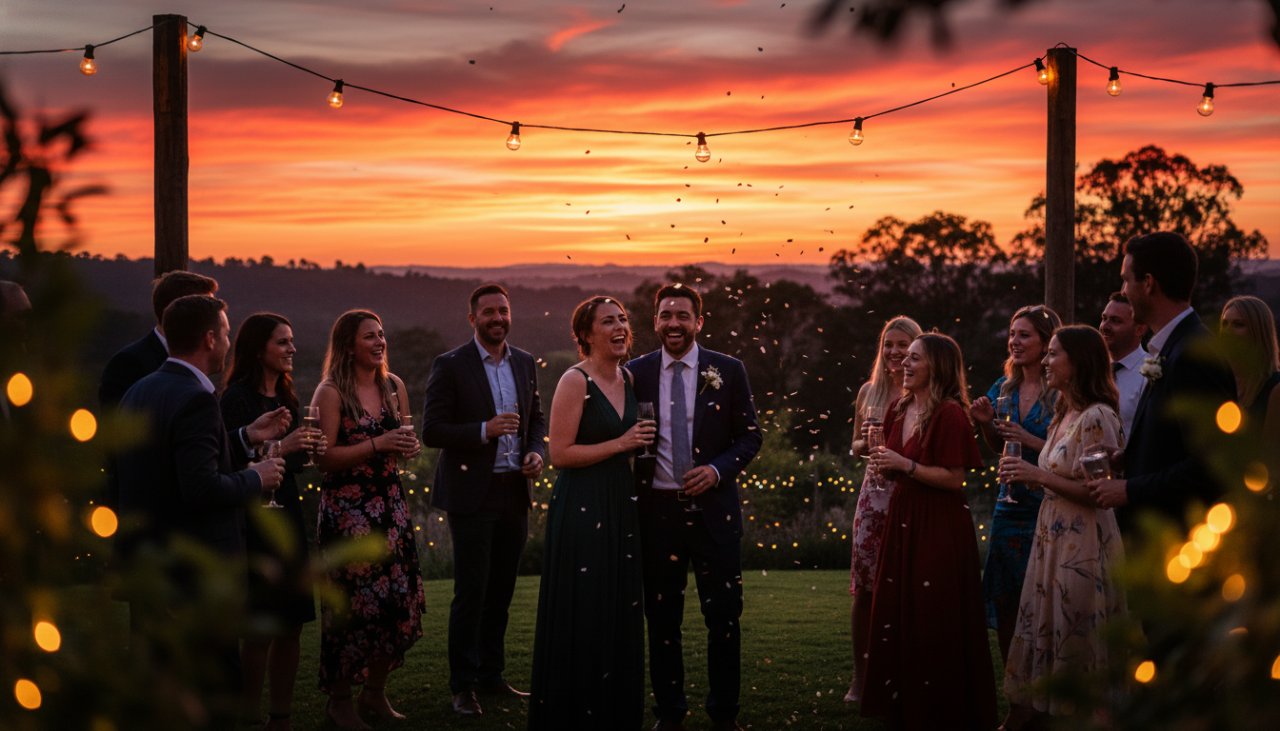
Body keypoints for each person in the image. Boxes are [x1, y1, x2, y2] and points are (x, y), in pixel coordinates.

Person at [114, 295, 286, 726]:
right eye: (226, 333)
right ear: (210, 338)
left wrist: (244, 437)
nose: (228, 341)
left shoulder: (142, 389)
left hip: (150, 564)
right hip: (195, 572)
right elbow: (200, 487)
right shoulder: (195, 397)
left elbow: (175, 464)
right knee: (210, 693)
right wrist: (256, 477)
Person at [627, 284, 762, 731]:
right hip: (656, 514)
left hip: (714, 513)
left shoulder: (729, 369)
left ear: (699, 322)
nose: (673, 324)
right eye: (665, 315)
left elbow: (750, 435)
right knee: (662, 618)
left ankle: (725, 715)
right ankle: (669, 713)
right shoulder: (635, 373)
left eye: (683, 316)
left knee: (723, 616)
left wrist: (718, 471)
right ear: (655, 322)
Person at [528, 296, 654, 730]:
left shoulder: (631, 378)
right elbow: (560, 453)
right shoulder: (573, 380)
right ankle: (573, 712)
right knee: (585, 606)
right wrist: (622, 444)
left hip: (622, 503)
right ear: (585, 334)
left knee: (619, 605)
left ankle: (614, 710)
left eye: (622, 320)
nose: (620, 327)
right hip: (582, 505)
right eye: (608, 322)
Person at [422, 284, 547, 717]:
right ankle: (463, 687)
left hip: (514, 490)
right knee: (471, 593)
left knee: (501, 591)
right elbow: (432, 430)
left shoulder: (526, 362)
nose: (497, 318)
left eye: (503, 310)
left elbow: (537, 419)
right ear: (472, 318)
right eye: (488, 312)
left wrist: (536, 452)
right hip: (471, 494)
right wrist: (484, 430)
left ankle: (492, 675)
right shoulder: (451, 364)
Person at [862, 333, 996, 731]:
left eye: (914, 358)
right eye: (906, 358)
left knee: (934, 613)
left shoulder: (952, 414)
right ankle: (904, 706)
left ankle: (943, 709)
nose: (904, 363)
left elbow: (955, 479)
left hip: (939, 524)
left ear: (936, 366)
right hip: (903, 517)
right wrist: (886, 465)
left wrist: (905, 466)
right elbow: (894, 462)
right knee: (900, 607)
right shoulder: (900, 409)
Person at [998, 326, 1128, 728]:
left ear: (1078, 363)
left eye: (1054, 354)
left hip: (1082, 544)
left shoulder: (1097, 418)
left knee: (1079, 640)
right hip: (1052, 538)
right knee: (1049, 631)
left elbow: (1099, 492)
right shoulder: (1064, 413)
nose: (1046, 361)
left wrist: (1035, 476)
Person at [312, 310, 425, 731]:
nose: (379, 342)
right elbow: (323, 459)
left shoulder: (394, 386)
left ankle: (375, 695)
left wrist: (406, 447)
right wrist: (379, 443)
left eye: (382, 335)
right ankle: (339, 704)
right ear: (347, 345)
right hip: (349, 513)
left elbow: (406, 441)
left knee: (394, 603)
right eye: (369, 337)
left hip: (390, 506)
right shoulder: (331, 392)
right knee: (354, 608)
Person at [1089, 232, 1236, 535]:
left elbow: (1212, 465)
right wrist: (1126, 458)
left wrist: (1130, 490)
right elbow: (1174, 444)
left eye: (1126, 280)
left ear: (1148, 283)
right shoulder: (1172, 347)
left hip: (1177, 543)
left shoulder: (1194, 353)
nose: (1123, 290)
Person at [221, 313, 322, 731]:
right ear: (258, 347)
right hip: (254, 522)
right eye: (283, 342)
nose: (292, 349)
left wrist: (303, 448)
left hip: (288, 516)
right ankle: (247, 718)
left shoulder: (287, 396)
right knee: (259, 627)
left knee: (292, 623)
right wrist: (284, 444)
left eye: (292, 341)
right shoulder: (236, 399)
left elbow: (295, 463)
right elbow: (228, 460)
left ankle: (281, 717)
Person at [969, 304, 1060, 661]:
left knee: (1042, 601)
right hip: (1008, 507)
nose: (1015, 342)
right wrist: (985, 423)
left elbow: (1066, 450)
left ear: (1045, 341)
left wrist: (1028, 438)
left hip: (1047, 505)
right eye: (1012, 334)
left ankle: (1043, 689)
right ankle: (1015, 691)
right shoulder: (1003, 387)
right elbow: (998, 447)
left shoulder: (1060, 392)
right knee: (1006, 599)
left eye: (1024, 335)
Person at [844, 315, 921, 704]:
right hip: (873, 498)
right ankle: (861, 677)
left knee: (907, 586)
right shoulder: (868, 392)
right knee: (865, 589)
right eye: (889, 344)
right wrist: (866, 445)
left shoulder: (923, 395)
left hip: (910, 496)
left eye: (903, 345)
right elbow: (855, 444)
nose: (894, 351)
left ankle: (903, 675)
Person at [100, 270, 218, 408]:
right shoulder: (128, 364)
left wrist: (243, 431)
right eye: (206, 312)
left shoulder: (199, 359)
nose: (213, 322)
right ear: (177, 311)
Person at [1219, 295, 1280, 441]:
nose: (1227, 332)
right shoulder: (1220, 382)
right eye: (1224, 324)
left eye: (1238, 324)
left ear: (1259, 332)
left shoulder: (1275, 390)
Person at [1099, 292, 1150, 438]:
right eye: (1104, 318)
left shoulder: (1151, 374)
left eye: (1115, 321)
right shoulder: (1093, 369)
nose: (1105, 326)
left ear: (1140, 329)